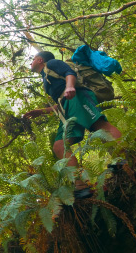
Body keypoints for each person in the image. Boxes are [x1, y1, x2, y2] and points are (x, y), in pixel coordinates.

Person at [23, 50, 122, 198]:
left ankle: (124, 158)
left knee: (99, 126)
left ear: (40, 60)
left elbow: (69, 72)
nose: (30, 62)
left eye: (33, 59)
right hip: (66, 108)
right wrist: (41, 111)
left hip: (78, 97)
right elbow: (60, 102)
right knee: (59, 146)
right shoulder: (45, 77)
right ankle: (81, 187)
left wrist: (70, 86)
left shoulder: (51, 64)